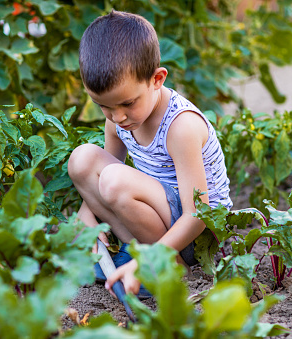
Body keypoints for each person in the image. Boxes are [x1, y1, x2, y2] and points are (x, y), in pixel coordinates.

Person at [68, 10, 232, 299]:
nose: (117, 117)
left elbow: (199, 215)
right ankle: (138, 255)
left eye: (127, 103)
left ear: (157, 79)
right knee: (81, 159)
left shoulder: (180, 127)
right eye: (103, 106)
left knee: (114, 181)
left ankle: (170, 267)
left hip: (198, 233)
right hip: (158, 218)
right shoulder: (119, 119)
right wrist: (86, 215)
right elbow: (99, 174)